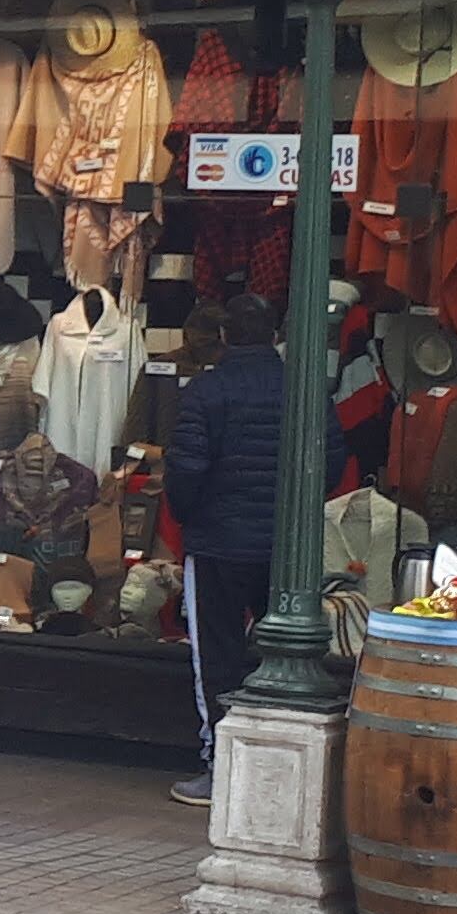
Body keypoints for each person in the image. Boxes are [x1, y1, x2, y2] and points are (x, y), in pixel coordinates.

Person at [158, 292, 292, 806]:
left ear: (223, 337)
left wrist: (193, 517)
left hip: (217, 541)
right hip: (283, 544)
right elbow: (331, 455)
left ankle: (221, 767)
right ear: (276, 334)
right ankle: (278, 770)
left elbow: (186, 470)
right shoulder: (300, 388)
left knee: (216, 656)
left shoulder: (206, 391)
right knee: (286, 656)